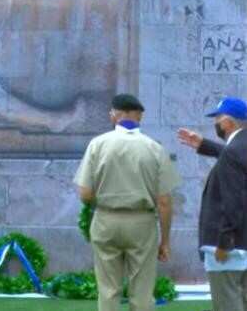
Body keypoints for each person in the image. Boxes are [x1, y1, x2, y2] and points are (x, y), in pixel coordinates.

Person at [74, 94, 179, 311]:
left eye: (111, 112)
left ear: (117, 114)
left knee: (108, 290)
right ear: (139, 115)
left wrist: (105, 201)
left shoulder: (98, 144)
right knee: (141, 291)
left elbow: (84, 193)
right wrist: (165, 240)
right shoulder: (155, 149)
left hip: (106, 219)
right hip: (142, 223)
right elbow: (164, 201)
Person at [178, 97, 247, 311]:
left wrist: (224, 244)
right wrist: (206, 146)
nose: (215, 123)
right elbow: (237, 160)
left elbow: (233, 201)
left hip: (231, 246)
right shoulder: (236, 149)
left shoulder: (233, 151)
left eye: (217, 118)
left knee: (228, 302)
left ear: (228, 122)